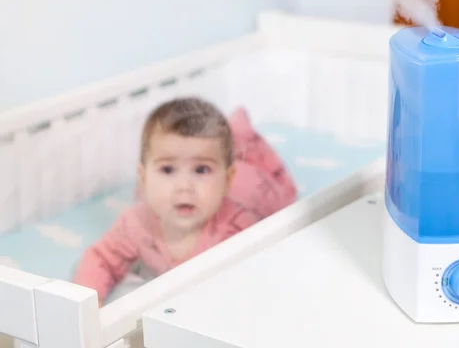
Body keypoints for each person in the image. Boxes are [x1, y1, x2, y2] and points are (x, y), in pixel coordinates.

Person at [73, 97, 296, 305]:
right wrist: (90, 305)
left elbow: (259, 284)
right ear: (142, 178)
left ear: (227, 180)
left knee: (278, 193)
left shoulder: (237, 229)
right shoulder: (136, 223)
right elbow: (101, 259)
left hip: (254, 189)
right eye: (168, 169)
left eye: (201, 169)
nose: (184, 186)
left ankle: (241, 134)